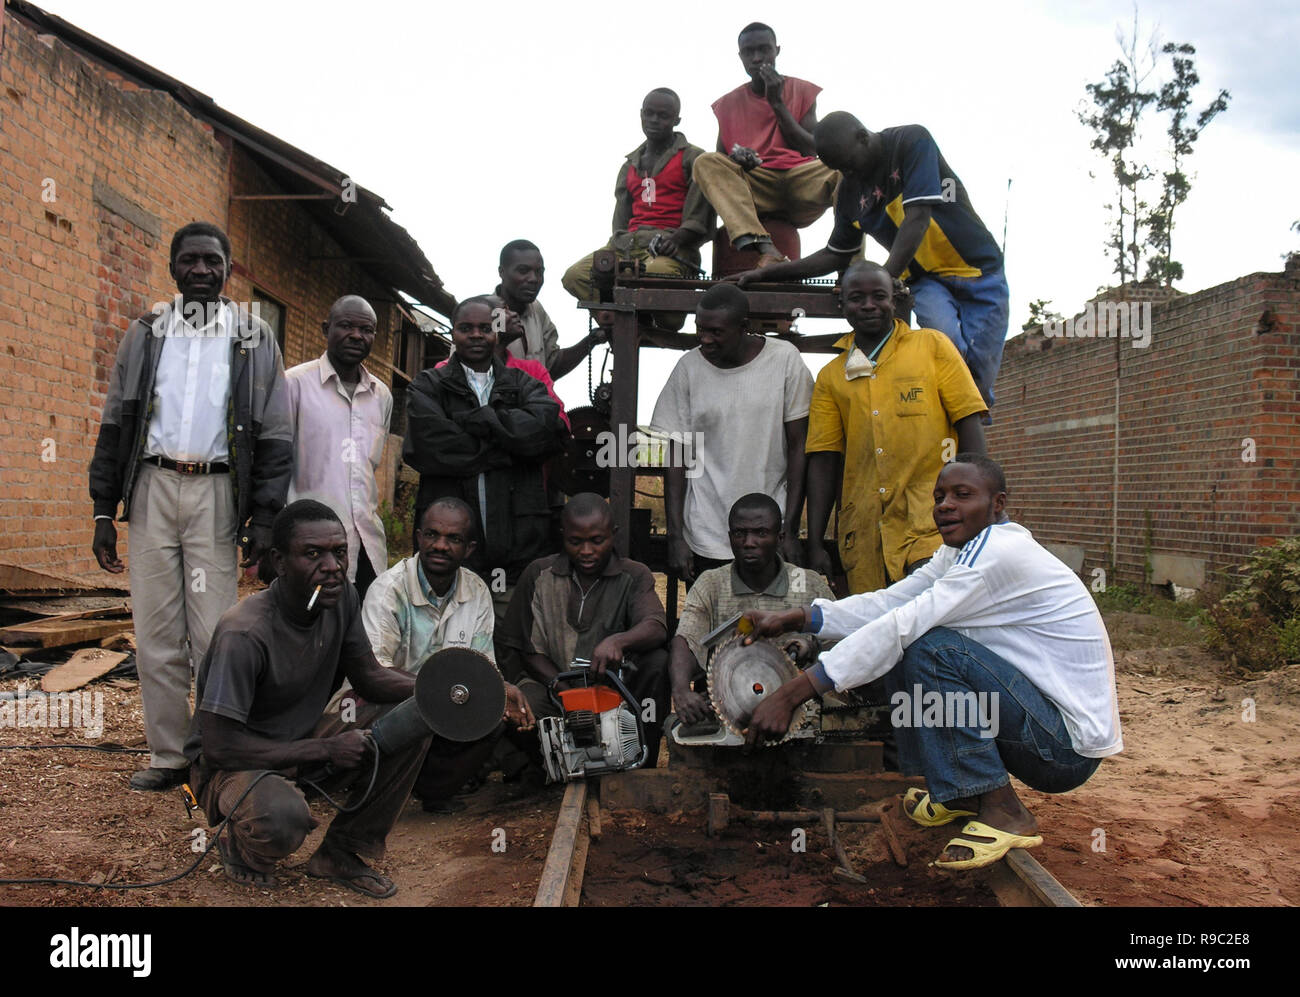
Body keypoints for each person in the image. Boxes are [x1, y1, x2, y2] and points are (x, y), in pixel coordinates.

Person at [741, 456, 1123, 870]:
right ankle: (958, 793)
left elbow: (904, 624)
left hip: (1063, 749)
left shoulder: (996, 554)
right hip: (1036, 721)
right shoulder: (960, 552)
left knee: (931, 647)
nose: (945, 505)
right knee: (919, 642)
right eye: (939, 496)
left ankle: (1005, 811)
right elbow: (893, 602)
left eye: (963, 495)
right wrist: (800, 617)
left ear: (998, 504)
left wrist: (794, 692)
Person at [89, 221, 292, 791]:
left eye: (213, 261)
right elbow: (114, 423)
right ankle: (169, 755)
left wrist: (266, 517)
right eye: (190, 260)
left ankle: (216, 749)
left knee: (214, 633)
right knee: (155, 633)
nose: (201, 270)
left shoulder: (253, 338)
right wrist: (104, 509)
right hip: (152, 489)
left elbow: (276, 434)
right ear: (173, 267)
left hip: (216, 495)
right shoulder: (147, 333)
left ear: (228, 269)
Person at [187, 500, 425, 898]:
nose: (332, 565)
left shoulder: (339, 597)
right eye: (313, 554)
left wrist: (433, 689)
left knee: (416, 715)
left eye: (339, 552)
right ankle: (240, 844)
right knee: (281, 822)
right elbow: (219, 746)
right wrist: (324, 749)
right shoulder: (244, 634)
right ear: (279, 562)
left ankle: (341, 851)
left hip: (301, 742)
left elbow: (369, 677)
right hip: (234, 765)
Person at [732, 111, 1010, 410]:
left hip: (979, 270)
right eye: (839, 170)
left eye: (849, 166)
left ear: (863, 137)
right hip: (926, 282)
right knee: (948, 353)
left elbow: (917, 217)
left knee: (979, 374)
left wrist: (885, 280)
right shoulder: (850, 193)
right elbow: (834, 254)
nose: (849, 176)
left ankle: (972, 444)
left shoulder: (911, 141)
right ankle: (954, 439)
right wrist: (771, 274)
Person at [330, 496, 534, 813]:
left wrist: (499, 689)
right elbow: (374, 676)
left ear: (470, 549)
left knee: (494, 715)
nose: (440, 546)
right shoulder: (389, 590)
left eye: (453, 539)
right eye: (432, 535)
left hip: (446, 704)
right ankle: (367, 779)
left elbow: (481, 667)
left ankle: (433, 790)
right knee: (405, 710)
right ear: (419, 537)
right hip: (382, 705)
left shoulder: (477, 590)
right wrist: (441, 692)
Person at [804, 260, 987, 594]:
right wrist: (815, 539)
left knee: (930, 626)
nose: (869, 305)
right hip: (864, 533)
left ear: (894, 300)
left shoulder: (931, 346)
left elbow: (968, 421)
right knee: (877, 633)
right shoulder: (831, 376)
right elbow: (824, 460)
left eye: (879, 296)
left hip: (931, 524)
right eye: (858, 298)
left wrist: (977, 507)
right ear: (843, 304)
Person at [403, 295, 566, 629]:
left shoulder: (527, 385)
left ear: (497, 331)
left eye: (484, 327)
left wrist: (480, 421)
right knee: (445, 644)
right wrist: (509, 448)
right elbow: (431, 447)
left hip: (515, 555)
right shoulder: (428, 385)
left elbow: (545, 432)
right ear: (452, 332)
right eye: (465, 328)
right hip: (447, 556)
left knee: (510, 645)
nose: (475, 335)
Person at [650, 282, 812, 583]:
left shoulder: (784, 360)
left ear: (743, 327)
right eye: (700, 329)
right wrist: (675, 536)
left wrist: (788, 529)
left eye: (716, 332)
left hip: (767, 534)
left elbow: (798, 446)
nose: (705, 339)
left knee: (769, 624)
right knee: (710, 625)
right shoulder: (688, 368)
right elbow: (676, 456)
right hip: (706, 533)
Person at [498, 493, 670, 765]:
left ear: (613, 535)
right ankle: (545, 766)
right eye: (575, 542)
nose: (586, 551)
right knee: (521, 708)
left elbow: (656, 626)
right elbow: (526, 650)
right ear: (562, 535)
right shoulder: (539, 574)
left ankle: (640, 765)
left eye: (597, 541)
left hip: (615, 691)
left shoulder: (634, 574)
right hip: (552, 688)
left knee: (657, 662)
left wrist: (619, 641)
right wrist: (565, 690)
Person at [671, 493, 834, 725]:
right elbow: (686, 641)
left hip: (800, 707)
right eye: (740, 533)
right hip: (730, 706)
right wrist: (680, 691)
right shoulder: (712, 584)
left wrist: (810, 649)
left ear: (780, 538)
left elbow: (841, 646)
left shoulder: (809, 584)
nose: (749, 542)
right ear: (729, 537)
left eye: (761, 533)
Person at [561, 88, 713, 331]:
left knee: (657, 274)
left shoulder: (693, 158)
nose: (654, 120)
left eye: (663, 115)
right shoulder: (629, 165)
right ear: (641, 114)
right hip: (628, 246)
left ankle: (653, 317)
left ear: (676, 120)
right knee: (576, 275)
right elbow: (620, 221)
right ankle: (617, 315)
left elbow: (700, 216)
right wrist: (615, 248)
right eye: (649, 113)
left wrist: (678, 238)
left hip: (670, 248)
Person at [691, 22, 839, 265]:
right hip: (755, 188)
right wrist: (737, 160)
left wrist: (777, 103)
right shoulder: (727, 104)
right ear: (740, 56)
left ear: (777, 51)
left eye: (764, 49)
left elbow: (812, 148)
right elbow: (720, 166)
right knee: (705, 161)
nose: (757, 58)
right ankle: (765, 248)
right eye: (749, 52)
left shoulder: (801, 90)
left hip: (800, 183)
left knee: (845, 167)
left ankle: (849, 261)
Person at [284, 295, 392, 599]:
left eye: (366, 329)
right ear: (325, 328)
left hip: (367, 544)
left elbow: (369, 471)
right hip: (311, 547)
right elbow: (276, 462)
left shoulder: (381, 395)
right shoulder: (294, 384)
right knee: (310, 630)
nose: (356, 335)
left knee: (359, 634)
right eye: (346, 326)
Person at [435, 294, 569, 430]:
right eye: (503, 310)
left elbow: (560, 422)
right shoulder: (444, 371)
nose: (514, 314)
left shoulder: (533, 370)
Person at [496, 240, 606, 379]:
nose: (533, 279)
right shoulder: (491, 312)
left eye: (539, 272)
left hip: (536, 399)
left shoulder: (536, 309)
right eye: (523, 271)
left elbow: (552, 366)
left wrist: (592, 340)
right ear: (502, 272)